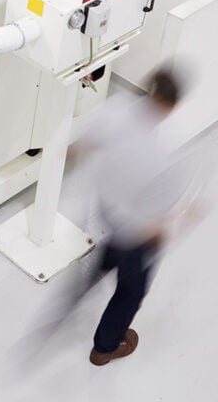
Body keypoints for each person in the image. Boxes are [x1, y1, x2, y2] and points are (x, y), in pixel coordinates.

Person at [81, 70, 197, 366]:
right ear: (173, 105)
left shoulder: (116, 108)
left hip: (106, 212)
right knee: (130, 292)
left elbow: (83, 144)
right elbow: (156, 219)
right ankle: (105, 347)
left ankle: (94, 273)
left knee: (109, 256)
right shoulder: (166, 152)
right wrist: (179, 222)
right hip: (133, 235)